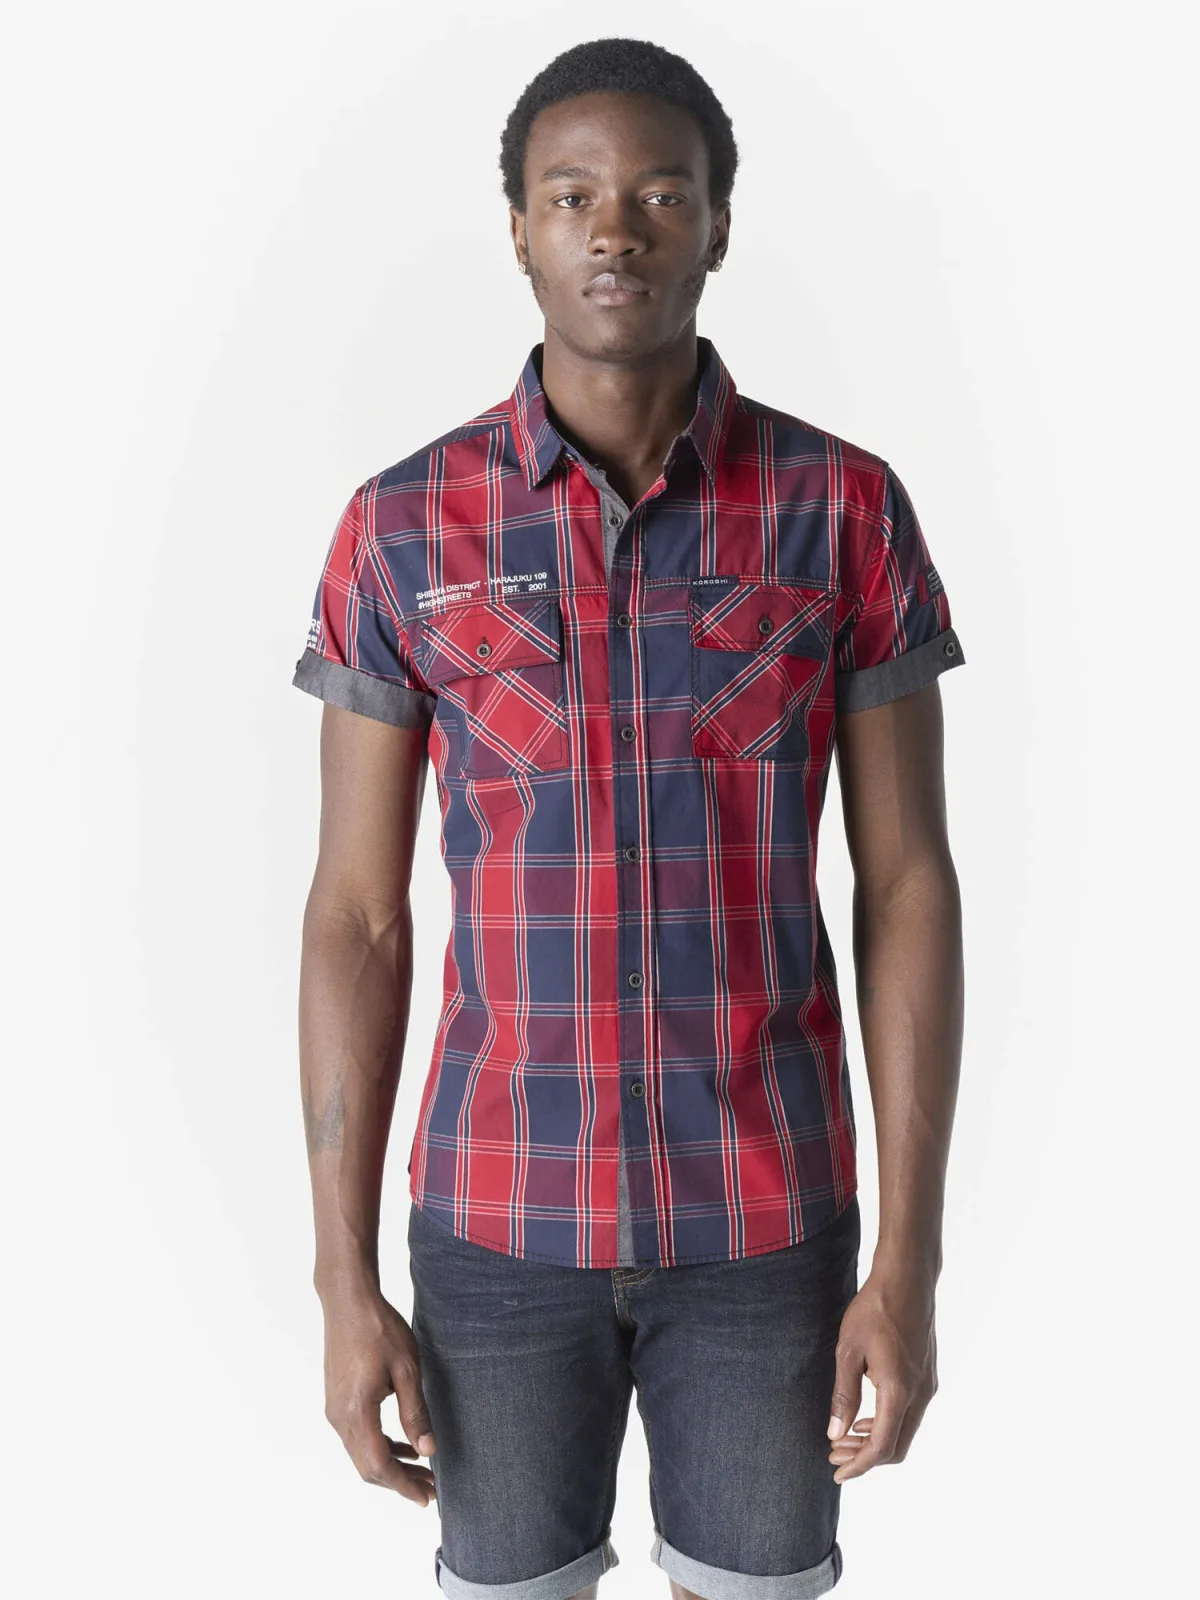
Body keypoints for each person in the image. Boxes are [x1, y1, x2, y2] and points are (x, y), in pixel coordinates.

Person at [292, 35, 965, 1600]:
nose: (616, 230)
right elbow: (357, 914)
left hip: (767, 1225)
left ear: (719, 226)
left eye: (662, 194)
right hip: (496, 1228)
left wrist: (909, 1264)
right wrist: (340, 1279)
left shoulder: (842, 510)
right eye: (572, 194)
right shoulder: (402, 528)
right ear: (518, 227)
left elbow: (907, 887)